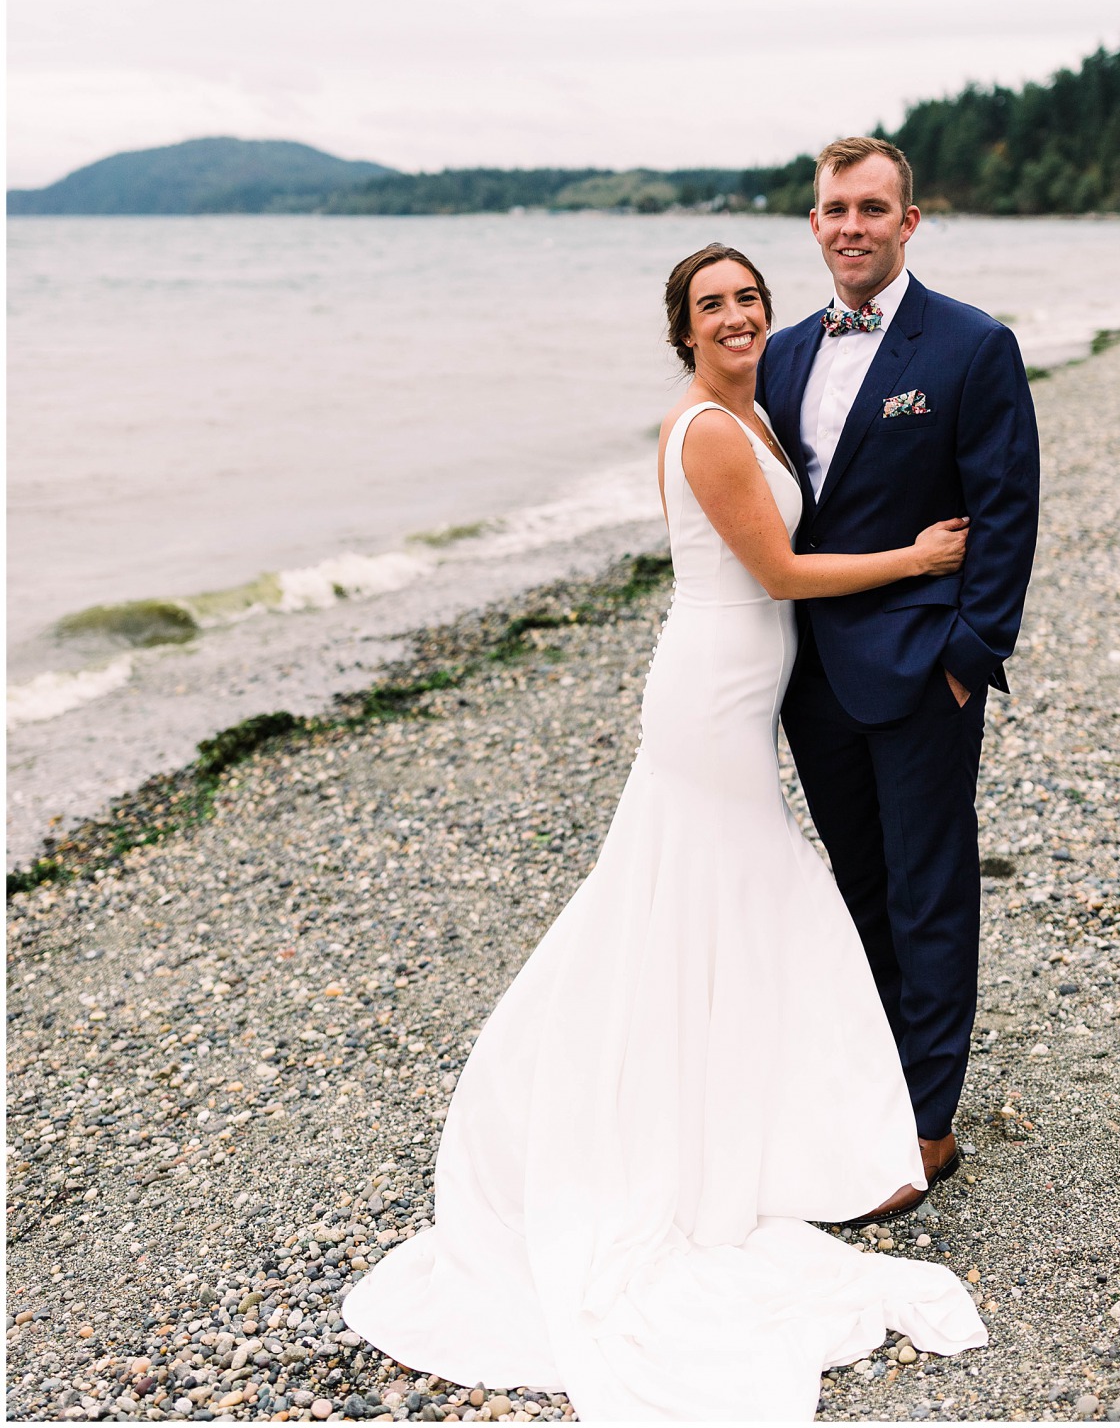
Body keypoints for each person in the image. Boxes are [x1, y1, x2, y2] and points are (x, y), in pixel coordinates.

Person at [342, 241, 988, 1422]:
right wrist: (921, 556)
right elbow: (782, 571)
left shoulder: (751, 411)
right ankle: (710, 1124)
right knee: (725, 886)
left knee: (725, 892)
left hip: (744, 689)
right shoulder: (703, 428)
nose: (736, 316)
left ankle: (759, 1110)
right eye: (712, 306)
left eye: (748, 298)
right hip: (713, 692)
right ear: (683, 330)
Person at [758, 136, 1040, 1220]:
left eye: (874, 208)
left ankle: (927, 1124)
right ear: (816, 222)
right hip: (810, 675)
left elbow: (1006, 508)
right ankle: (868, 1082)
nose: (852, 227)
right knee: (859, 888)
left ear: (908, 222)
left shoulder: (971, 345)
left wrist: (971, 658)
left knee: (931, 891)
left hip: (924, 670)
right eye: (835, 209)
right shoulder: (782, 353)